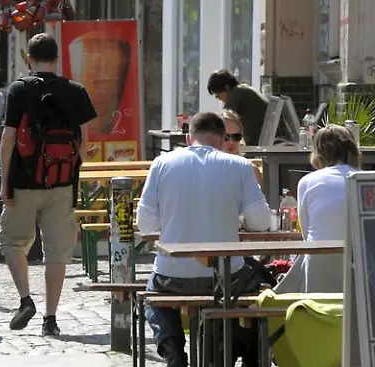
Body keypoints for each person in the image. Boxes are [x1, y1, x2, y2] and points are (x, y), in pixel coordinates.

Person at [137, 111, 272, 367]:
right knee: (256, 281)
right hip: (225, 279)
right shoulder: (240, 166)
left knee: (153, 294)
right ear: (222, 139)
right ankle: (224, 351)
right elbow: (261, 223)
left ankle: (173, 349)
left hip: (172, 277)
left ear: (189, 138)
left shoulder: (162, 163)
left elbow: (145, 223)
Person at [0, 33, 97, 336]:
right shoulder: (76, 91)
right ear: (56, 59)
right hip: (62, 185)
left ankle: (26, 300)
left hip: (25, 183)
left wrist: (5, 182)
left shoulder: (19, 89)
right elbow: (85, 141)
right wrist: (70, 171)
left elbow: (9, 138)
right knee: (57, 253)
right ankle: (50, 319)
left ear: (28, 58)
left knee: (13, 242)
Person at [275, 124, 358, 294]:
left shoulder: (307, 181)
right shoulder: (362, 179)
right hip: (358, 259)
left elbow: (306, 232)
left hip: (319, 258)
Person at [207, 69, 268, 146]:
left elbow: (224, 119)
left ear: (227, 87)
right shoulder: (243, 90)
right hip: (258, 140)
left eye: (217, 93)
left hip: (255, 143)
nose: (216, 97)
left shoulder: (236, 93)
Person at [221, 109, 263, 186]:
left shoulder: (251, 171)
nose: (231, 142)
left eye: (236, 137)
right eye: (226, 137)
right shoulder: (206, 171)